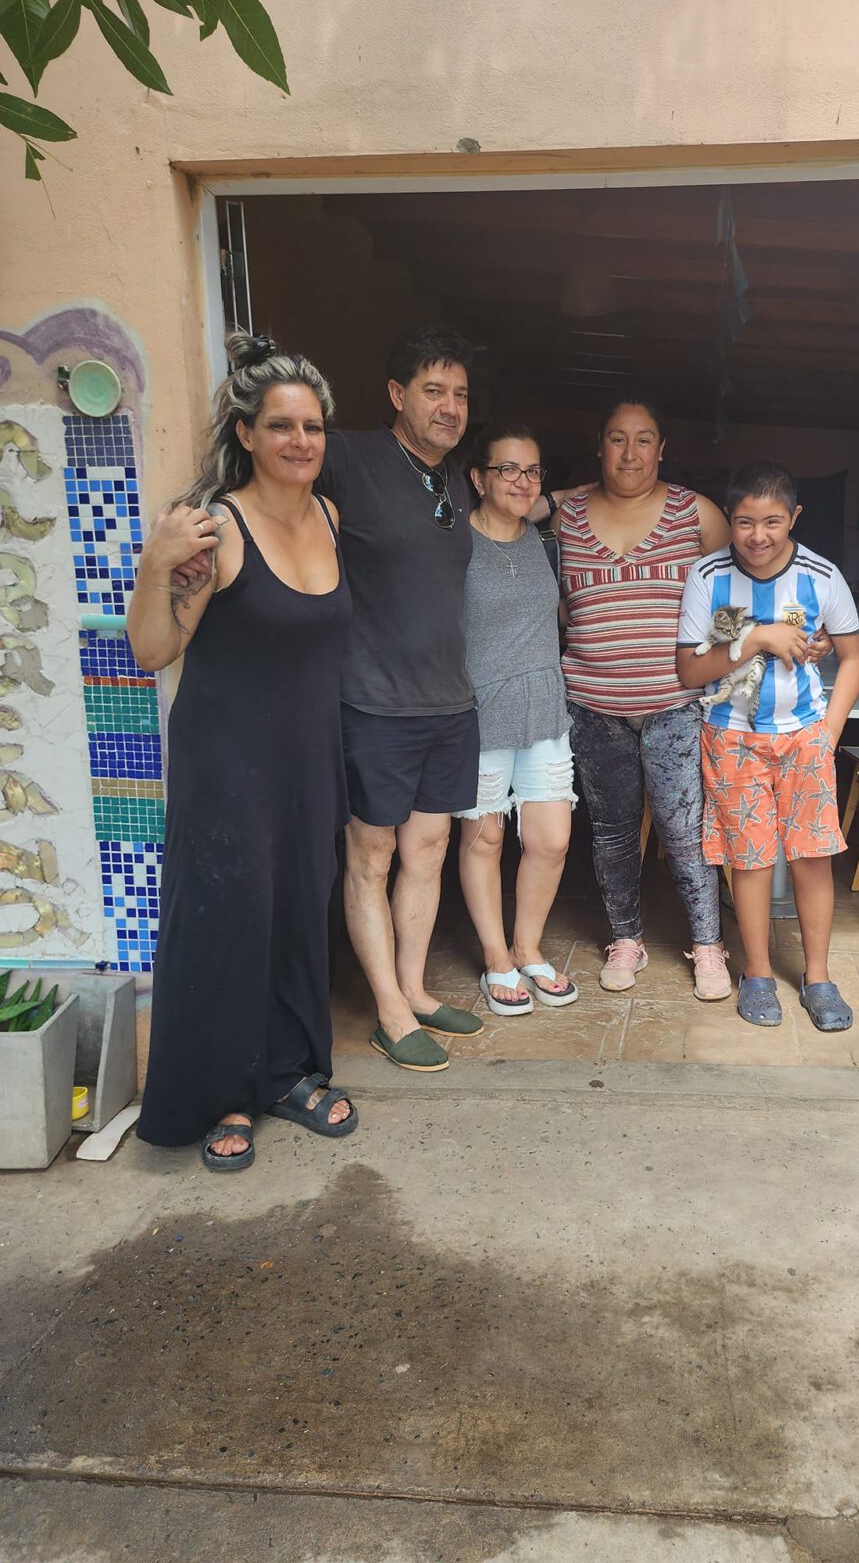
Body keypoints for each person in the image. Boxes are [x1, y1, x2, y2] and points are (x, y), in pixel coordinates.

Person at [131, 333, 357, 1172]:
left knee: (298, 913)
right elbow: (152, 650)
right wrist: (155, 565)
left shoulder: (330, 518)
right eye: (281, 426)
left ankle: (288, 1072)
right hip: (226, 764)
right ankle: (222, 1093)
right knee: (228, 924)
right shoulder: (214, 530)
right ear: (247, 434)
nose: (300, 441)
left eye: (312, 426)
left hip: (307, 758)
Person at [315, 328, 484, 1073]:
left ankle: (414, 989)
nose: (449, 407)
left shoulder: (455, 482)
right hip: (373, 701)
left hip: (448, 701)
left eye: (460, 395)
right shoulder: (347, 458)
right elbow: (269, 485)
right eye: (433, 391)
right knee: (372, 853)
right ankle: (387, 1010)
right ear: (396, 394)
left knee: (429, 848)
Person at [541, 396, 734, 1000]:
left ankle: (708, 946)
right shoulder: (566, 517)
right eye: (617, 439)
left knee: (685, 831)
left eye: (644, 439)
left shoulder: (697, 513)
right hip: (592, 706)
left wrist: (721, 678)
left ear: (662, 449)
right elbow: (555, 600)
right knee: (612, 832)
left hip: (676, 705)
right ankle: (626, 939)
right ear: (599, 446)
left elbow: (729, 600)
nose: (631, 453)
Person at [676, 460, 859, 1032]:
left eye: (772, 522)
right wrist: (757, 637)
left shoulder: (822, 577)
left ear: (794, 517)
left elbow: (854, 656)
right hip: (732, 738)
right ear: (728, 518)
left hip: (803, 736)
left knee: (812, 858)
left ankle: (818, 978)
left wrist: (829, 732)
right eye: (744, 522)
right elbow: (689, 670)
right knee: (750, 860)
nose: (758, 536)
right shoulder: (708, 576)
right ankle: (757, 973)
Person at [455, 422, 578, 1014]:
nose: (521, 481)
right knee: (486, 837)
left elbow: (584, 495)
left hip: (544, 707)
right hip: (479, 709)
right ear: (478, 478)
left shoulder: (543, 536)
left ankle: (528, 947)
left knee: (552, 840)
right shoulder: (454, 540)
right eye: (507, 469)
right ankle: (496, 956)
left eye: (531, 471)